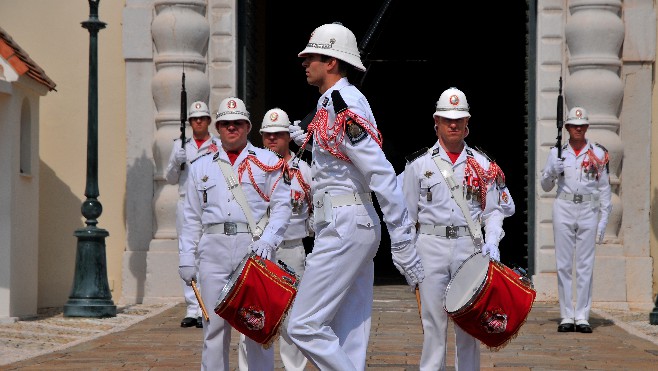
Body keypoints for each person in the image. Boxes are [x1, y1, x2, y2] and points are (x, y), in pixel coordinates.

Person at [285, 22, 424, 370]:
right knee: (348, 335)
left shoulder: (341, 102)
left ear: (331, 62)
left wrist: (403, 240)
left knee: (302, 325)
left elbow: (381, 173)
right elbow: (341, 161)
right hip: (349, 222)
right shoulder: (333, 102)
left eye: (311, 56)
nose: (304, 63)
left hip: (345, 225)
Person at [178, 96, 291, 370]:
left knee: (257, 328)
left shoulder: (266, 161)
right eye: (226, 123)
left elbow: (282, 204)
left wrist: (269, 239)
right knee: (214, 328)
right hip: (213, 249)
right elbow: (191, 216)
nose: (232, 128)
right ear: (217, 127)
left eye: (238, 123)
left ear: (248, 126)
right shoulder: (200, 166)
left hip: (253, 250)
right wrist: (186, 257)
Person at [401, 87, 506, 370]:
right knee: (433, 324)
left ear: (467, 122)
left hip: (468, 248)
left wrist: (492, 240)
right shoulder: (418, 164)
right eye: (447, 118)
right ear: (436, 121)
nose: (453, 124)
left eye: (459, 118)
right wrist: (407, 256)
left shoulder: (482, 164)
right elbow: (406, 217)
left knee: (469, 327)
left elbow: (494, 211)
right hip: (430, 246)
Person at [237, 107, 312, 370]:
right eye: (267, 134)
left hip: (291, 248)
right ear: (259, 135)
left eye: (278, 134)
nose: (272, 139)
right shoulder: (247, 167)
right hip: (258, 250)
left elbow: (316, 207)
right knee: (251, 315)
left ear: (288, 137)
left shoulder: (303, 168)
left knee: (292, 318)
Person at [541, 106, 611, 334]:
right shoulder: (557, 153)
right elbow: (545, 185)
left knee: (584, 264)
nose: (578, 129)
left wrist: (603, 219)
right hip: (564, 206)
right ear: (568, 128)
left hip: (588, 208)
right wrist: (553, 170)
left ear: (586, 127)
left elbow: (604, 188)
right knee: (563, 264)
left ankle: (582, 315)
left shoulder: (598, 153)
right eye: (574, 126)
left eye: (581, 126)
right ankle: (566, 315)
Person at [164, 100, 218, 329]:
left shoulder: (217, 144)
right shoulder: (180, 145)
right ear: (190, 123)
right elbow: (169, 178)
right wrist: (177, 162)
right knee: (187, 253)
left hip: (208, 203)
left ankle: (205, 305)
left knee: (206, 255)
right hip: (186, 202)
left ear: (208, 121)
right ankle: (191, 307)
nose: (199, 122)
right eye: (195, 119)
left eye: (203, 119)